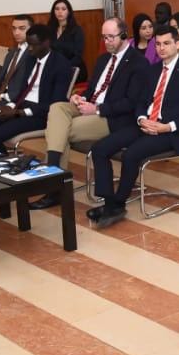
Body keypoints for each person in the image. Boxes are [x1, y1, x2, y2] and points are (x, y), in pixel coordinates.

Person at [89, 24, 179, 228]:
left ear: (178, 44)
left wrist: (166, 127)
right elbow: (140, 101)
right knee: (100, 148)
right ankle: (109, 201)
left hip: (172, 132)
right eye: (157, 44)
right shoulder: (153, 70)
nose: (161, 48)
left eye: (166, 43)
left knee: (131, 154)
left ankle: (118, 204)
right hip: (146, 124)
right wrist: (142, 118)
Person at [29, 17, 148, 210]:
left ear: (124, 36)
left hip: (110, 116)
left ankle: (53, 182)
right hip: (90, 106)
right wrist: (80, 97)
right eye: (104, 37)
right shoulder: (103, 59)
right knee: (57, 107)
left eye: (111, 37)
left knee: (60, 131)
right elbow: (92, 89)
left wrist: (97, 109)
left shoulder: (138, 63)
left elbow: (131, 102)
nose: (107, 42)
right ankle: (54, 172)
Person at [0, 23, 70, 152]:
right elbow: (23, 89)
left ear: (46, 43)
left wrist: (19, 113)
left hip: (40, 114)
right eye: (28, 44)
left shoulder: (60, 65)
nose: (29, 49)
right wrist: (10, 106)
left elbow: (55, 104)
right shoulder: (31, 59)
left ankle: (3, 162)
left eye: (34, 45)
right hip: (19, 107)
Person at [48, 0, 87, 83]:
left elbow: (78, 56)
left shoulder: (76, 30)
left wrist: (62, 67)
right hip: (55, 69)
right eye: (57, 9)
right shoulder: (50, 29)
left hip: (73, 69)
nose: (60, 12)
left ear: (69, 12)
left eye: (63, 9)